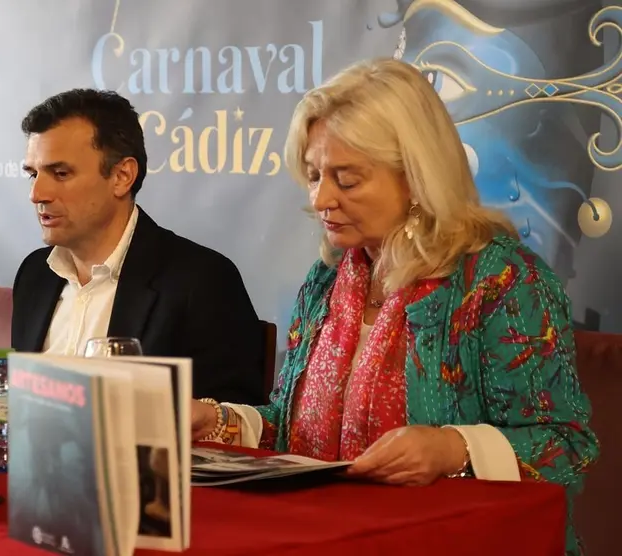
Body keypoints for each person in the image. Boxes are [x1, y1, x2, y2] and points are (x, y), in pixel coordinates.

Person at [190, 58, 598, 554]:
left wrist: (451, 448)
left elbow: (565, 448)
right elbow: (295, 438)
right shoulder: (327, 279)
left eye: (347, 180)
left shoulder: (501, 281)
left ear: (415, 177)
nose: (321, 199)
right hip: (327, 537)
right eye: (315, 176)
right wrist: (217, 420)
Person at [11, 89, 265, 405]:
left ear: (122, 176)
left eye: (60, 173)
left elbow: (236, 416)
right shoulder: (35, 274)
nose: (37, 194)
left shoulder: (201, 281)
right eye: (33, 174)